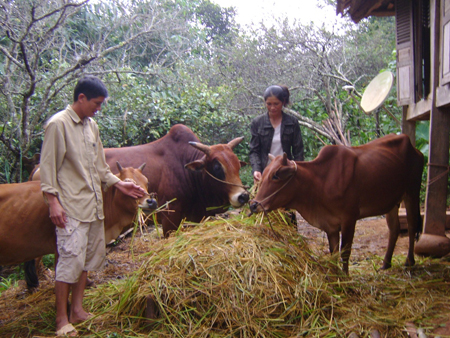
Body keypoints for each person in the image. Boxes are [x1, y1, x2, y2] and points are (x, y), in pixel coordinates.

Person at [40, 76, 146, 337]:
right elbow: (48, 168)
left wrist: (121, 185)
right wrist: (53, 202)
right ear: (81, 98)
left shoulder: (92, 126)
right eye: (96, 103)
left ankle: (77, 310)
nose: (98, 109)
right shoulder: (58, 125)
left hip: (93, 206)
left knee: (85, 260)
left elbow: (100, 168)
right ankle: (61, 320)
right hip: (71, 206)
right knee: (68, 261)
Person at [249, 85, 304, 184]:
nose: (272, 107)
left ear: (283, 102)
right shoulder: (257, 123)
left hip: (286, 172)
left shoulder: (292, 122)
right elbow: (254, 150)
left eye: (276, 104)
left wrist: (297, 170)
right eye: (269, 104)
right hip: (265, 173)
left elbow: (298, 151)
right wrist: (256, 169)